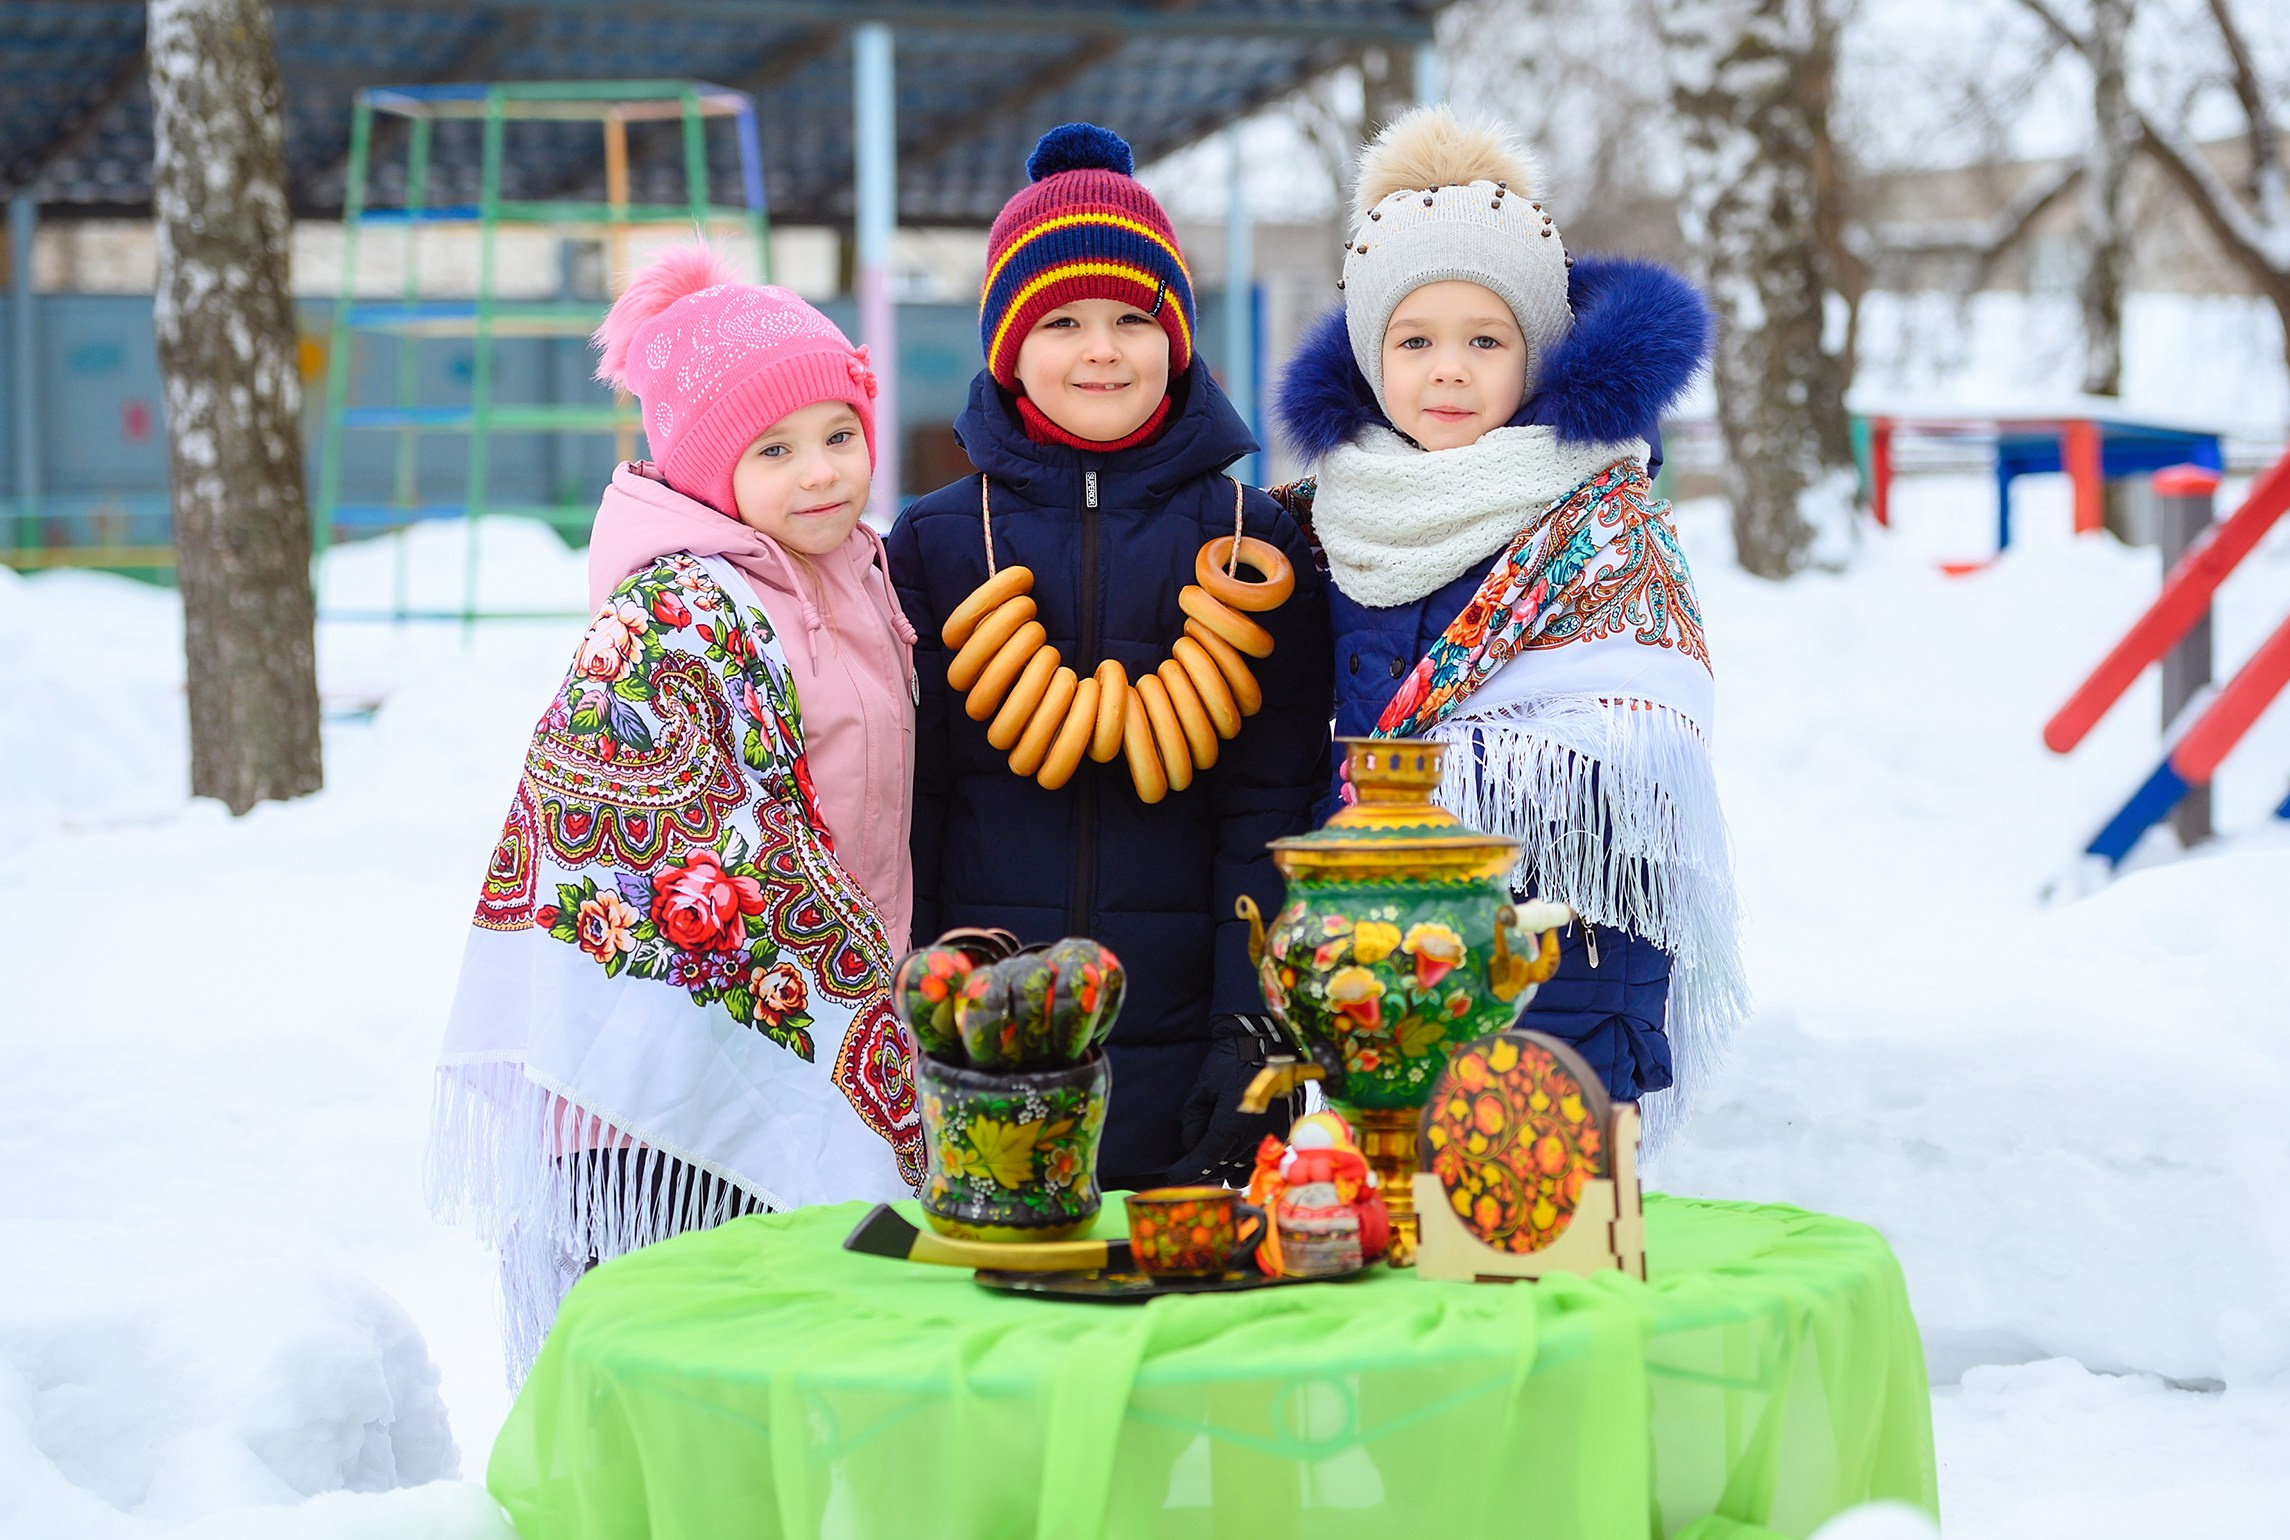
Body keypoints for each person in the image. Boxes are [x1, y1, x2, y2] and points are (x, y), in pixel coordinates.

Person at [429, 246, 922, 1376]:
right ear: (705, 468)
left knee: (805, 1369)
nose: (820, 474)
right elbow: (685, 855)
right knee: (692, 1375)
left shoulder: (868, 576)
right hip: (660, 1110)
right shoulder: (678, 618)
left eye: (838, 434)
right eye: (775, 449)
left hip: (830, 1053)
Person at [1269, 106, 1742, 1154]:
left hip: (1565, 968)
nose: (1448, 369)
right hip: (1378, 978)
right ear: (1367, 351)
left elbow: (1639, 740)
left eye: (1485, 340)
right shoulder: (1329, 521)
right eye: (1415, 340)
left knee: (1538, 1262)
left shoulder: (1599, 520)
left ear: (1536, 351)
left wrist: (1436, 780)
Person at [888, 124, 1332, 1191]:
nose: (1102, 348)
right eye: (1064, 321)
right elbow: (916, 803)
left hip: (1185, 1028)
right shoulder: (938, 543)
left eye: (1133, 318)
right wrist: (921, 1005)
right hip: (982, 1043)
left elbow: (1269, 806)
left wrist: (1252, 1029)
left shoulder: (1251, 542)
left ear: (1175, 337)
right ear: (1007, 345)